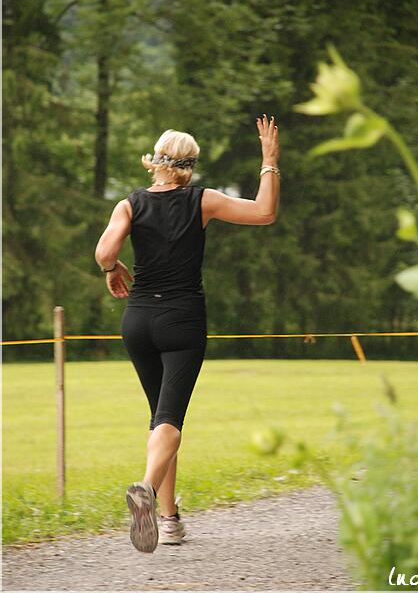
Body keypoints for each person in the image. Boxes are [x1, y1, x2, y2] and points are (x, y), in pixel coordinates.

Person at [94, 114, 280, 553]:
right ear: (190, 166)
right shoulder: (202, 201)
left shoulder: (129, 204)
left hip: (137, 321)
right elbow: (265, 212)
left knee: (160, 416)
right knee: (170, 420)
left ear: (154, 162)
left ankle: (169, 518)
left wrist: (111, 268)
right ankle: (144, 487)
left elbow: (105, 250)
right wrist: (269, 161)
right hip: (182, 320)